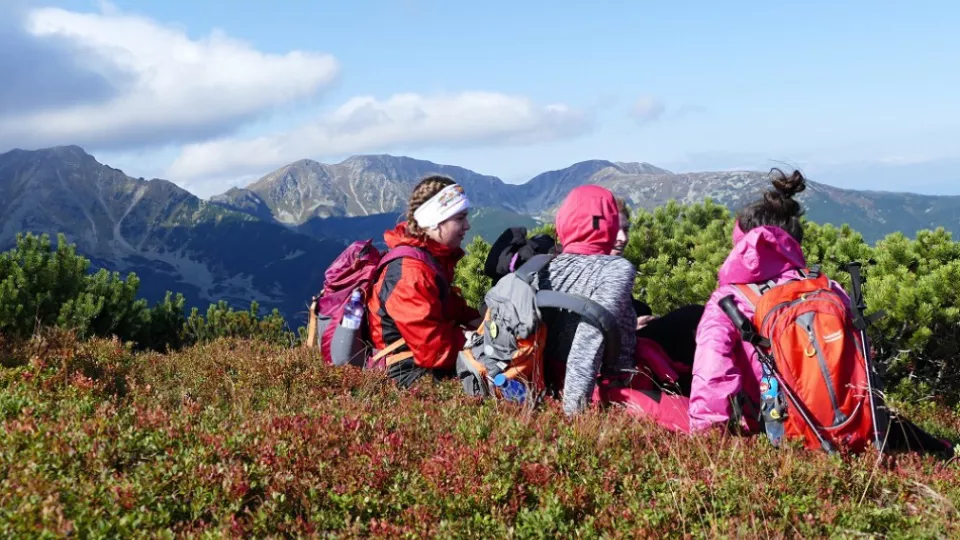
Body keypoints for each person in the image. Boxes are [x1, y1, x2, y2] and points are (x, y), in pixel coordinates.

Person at [689, 168, 954, 456]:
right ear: (791, 242)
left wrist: (707, 441)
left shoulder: (728, 299)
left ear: (741, 242)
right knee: (927, 446)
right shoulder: (824, 285)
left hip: (781, 430)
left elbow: (712, 373)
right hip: (856, 420)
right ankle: (943, 451)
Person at [366, 175, 482, 388]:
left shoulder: (428, 261)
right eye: (460, 218)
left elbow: (448, 307)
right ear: (435, 221)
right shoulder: (411, 273)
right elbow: (433, 349)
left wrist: (482, 322)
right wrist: (475, 339)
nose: (467, 226)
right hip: (405, 377)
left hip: (419, 367)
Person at [535, 185, 638, 416]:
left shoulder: (542, 266)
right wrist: (573, 419)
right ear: (609, 224)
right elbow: (589, 339)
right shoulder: (616, 269)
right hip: (603, 390)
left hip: (544, 381)